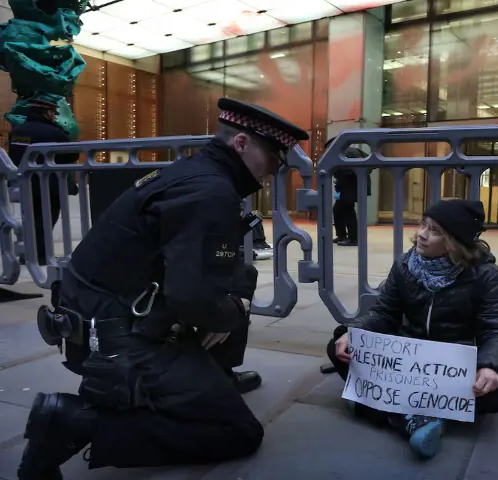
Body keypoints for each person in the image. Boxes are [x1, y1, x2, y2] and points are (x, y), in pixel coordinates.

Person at [19, 99, 309, 478]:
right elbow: (190, 297)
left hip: (97, 318)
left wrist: (228, 300)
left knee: (240, 277)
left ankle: (210, 377)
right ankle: (74, 422)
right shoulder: (210, 193)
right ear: (241, 143)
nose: (273, 171)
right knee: (238, 432)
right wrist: (231, 311)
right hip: (112, 341)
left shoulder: (192, 174)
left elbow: (206, 269)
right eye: (273, 159)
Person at [326, 199, 498, 459]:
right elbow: (384, 313)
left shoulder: (485, 275)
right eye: (423, 225)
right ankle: (417, 418)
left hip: (451, 363)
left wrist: (491, 366)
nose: (422, 235)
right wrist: (353, 331)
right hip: (407, 360)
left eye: (435, 231)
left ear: (455, 241)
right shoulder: (405, 265)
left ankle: (375, 406)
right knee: (338, 346)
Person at [8, 99, 79, 266]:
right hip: (50, 183)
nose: (54, 116)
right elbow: (72, 154)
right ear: (47, 113)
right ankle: (41, 255)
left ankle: (28, 254)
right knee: (46, 220)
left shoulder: (19, 130)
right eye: (53, 113)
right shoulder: (54, 132)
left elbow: (15, 154)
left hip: (25, 182)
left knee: (30, 219)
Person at [325, 137, 370, 246]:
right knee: (338, 209)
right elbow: (369, 162)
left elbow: (341, 169)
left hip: (349, 186)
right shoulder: (354, 151)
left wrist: (345, 175)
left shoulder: (343, 152)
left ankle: (353, 238)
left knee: (348, 211)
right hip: (353, 185)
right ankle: (342, 235)